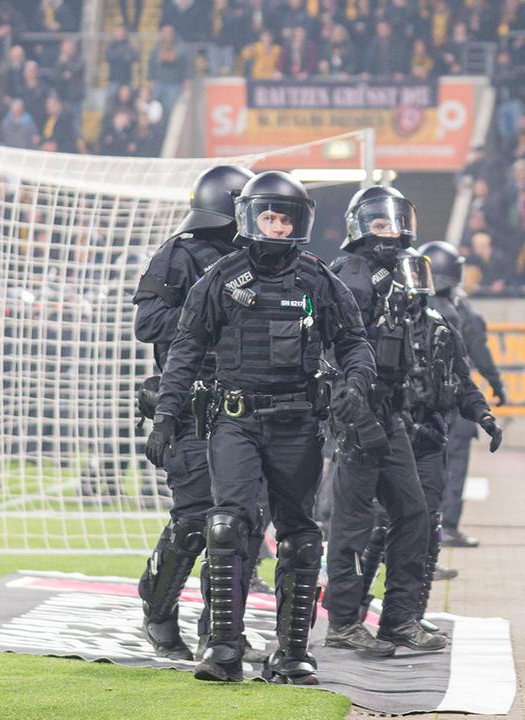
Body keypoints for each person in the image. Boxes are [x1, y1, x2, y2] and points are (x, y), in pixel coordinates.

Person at [148, 171, 376, 685]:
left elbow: (355, 343)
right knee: (227, 526)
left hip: (298, 421)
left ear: (299, 223)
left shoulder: (319, 280)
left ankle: (293, 652)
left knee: (299, 536)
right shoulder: (220, 278)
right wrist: (166, 415)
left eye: (285, 219)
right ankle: (222, 648)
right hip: (234, 420)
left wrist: (354, 386)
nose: (276, 227)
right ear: (251, 219)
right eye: (268, 217)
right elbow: (184, 348)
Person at [132, 164, 253, 662]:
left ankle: (219, 630)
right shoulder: (180, 253)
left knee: (242, 521)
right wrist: (206, 310)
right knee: (193, 521)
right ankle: (157, 611)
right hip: (191, 404)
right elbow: (147, 321)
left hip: (246, 405)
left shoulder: (261, 258)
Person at [324, 186, 448, 656]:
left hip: (391, 409)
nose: (391, 232)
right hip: (357, 409)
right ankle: (342, 622)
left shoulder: (402, 275)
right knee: (352, 522)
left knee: (413, 513)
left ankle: (398, 620)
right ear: (359, 228)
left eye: (395, 223)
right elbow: (331, 350)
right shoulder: (351, 276)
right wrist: (349, 409)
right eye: (379, 224)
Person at [396, 248, 501, 629]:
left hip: (420, 422)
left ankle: (401, 616)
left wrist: (481, 408)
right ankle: (394, 616)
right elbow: (469, 367)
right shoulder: (450, 314)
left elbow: (457, 372)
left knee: (413, 521)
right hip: (415, 424)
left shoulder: (431, 316)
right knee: (408, 519)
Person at [419, 241, 506, 547]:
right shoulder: (459, 312)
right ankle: (448, 527)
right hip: (456, 401)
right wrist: (496, 385)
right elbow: (476, 354)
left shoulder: (413, 305)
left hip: (423, 404)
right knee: (453, 466)